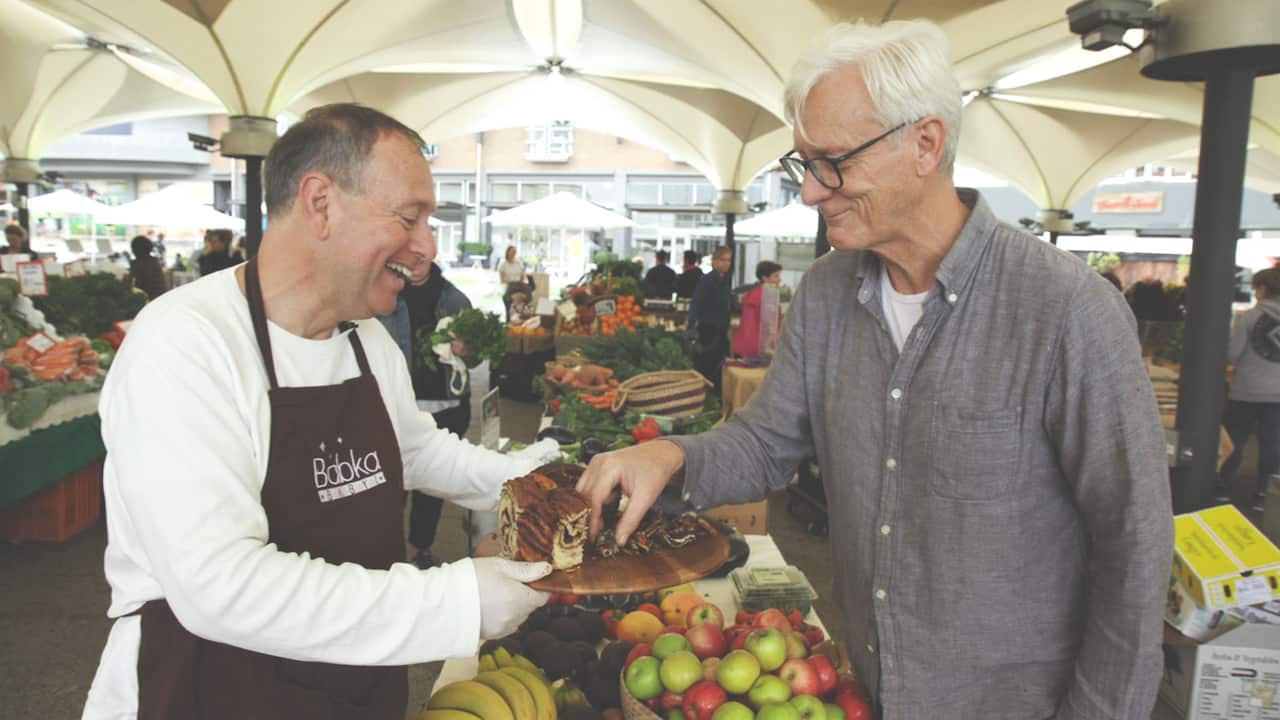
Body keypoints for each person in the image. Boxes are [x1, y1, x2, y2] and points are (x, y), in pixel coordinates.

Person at [576, 20, 1171, 720]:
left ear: (925, 144)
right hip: (868, 689)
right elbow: (767, 441)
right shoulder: (827, 294)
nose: (810, 192)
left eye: (833, 162)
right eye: (804, 165)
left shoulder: (1067, 311)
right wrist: (669, 455)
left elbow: (1132, 548)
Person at [82, 103, 557, 719]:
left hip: (353, 679)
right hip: (211, 687)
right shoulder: (186, 343)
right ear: (321, 202)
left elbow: (414, 448)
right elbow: (219, 587)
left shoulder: (365, 338)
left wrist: (535, 478)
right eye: (410, 218)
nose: (428, 247)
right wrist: (457, 600)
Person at [378, 261, 476, 570]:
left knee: (433, 487)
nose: (415, 266)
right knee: (392, 486)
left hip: (447, 406)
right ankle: (390, 551)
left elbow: (478, 357)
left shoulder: (455, 300)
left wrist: (468, 351)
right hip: (398, 406)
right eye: (409, 259)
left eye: (421, 260)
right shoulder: (383, 296)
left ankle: (420, 547)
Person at [1221, 267, 1280, 510]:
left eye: (1256, 287)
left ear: (1263, 289)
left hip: (1245, 390)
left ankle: (1222, 488)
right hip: (1278, 394)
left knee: (1235, 439)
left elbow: (1233, 353)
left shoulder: (1248, 318)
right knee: (1272, 443)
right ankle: (1263, 493)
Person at [686, 246, 733, 390]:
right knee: (707, 366)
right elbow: (696, 303)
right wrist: (691, 326)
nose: (726, 263)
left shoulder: (724, 280)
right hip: (709, 330)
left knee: (718, 366)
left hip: (720, 330)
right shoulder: (707, 280)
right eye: (723, 260)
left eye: (729, 260)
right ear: (714, 261)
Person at [731, 260, 783, 358]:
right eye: (776, 276)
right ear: (765, 278)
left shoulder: (757, 294)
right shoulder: (765, 297)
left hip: (748, 346)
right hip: (756, 349)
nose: (779, 280)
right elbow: (766, 326)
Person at [128, 235, 167, 301]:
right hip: (160, 299)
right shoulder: (153, 262)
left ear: (134, 250)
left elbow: (136, 286)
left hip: (149, 301)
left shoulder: (139, 264)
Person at [498, 245, 529, 319]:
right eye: (512, 252)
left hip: (519, 285)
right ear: (508, 253)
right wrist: (512, 281)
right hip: (508, 286)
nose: (513, 253)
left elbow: (523, 276)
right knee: (510, 304)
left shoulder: (518, 262)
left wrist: (522, 283)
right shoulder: (503, 264)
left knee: (527, 295)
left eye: (515, 252)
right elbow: (502, 279)